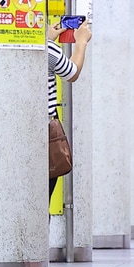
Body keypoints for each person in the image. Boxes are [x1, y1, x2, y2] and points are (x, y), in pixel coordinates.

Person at [47, 17, 91, 198]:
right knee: (43, 197)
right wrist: (81, 41)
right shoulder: (46, 49)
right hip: (46, 133)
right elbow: (71, 72)